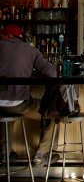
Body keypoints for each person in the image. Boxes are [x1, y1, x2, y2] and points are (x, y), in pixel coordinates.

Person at [0, 24, 59, 167]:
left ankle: (4, 154)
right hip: (18, 104)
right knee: (52, 112)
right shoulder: (30, 49)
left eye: (2, 34)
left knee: (4, 112)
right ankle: (41, 156)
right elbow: (51, 73)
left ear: (8, 35)